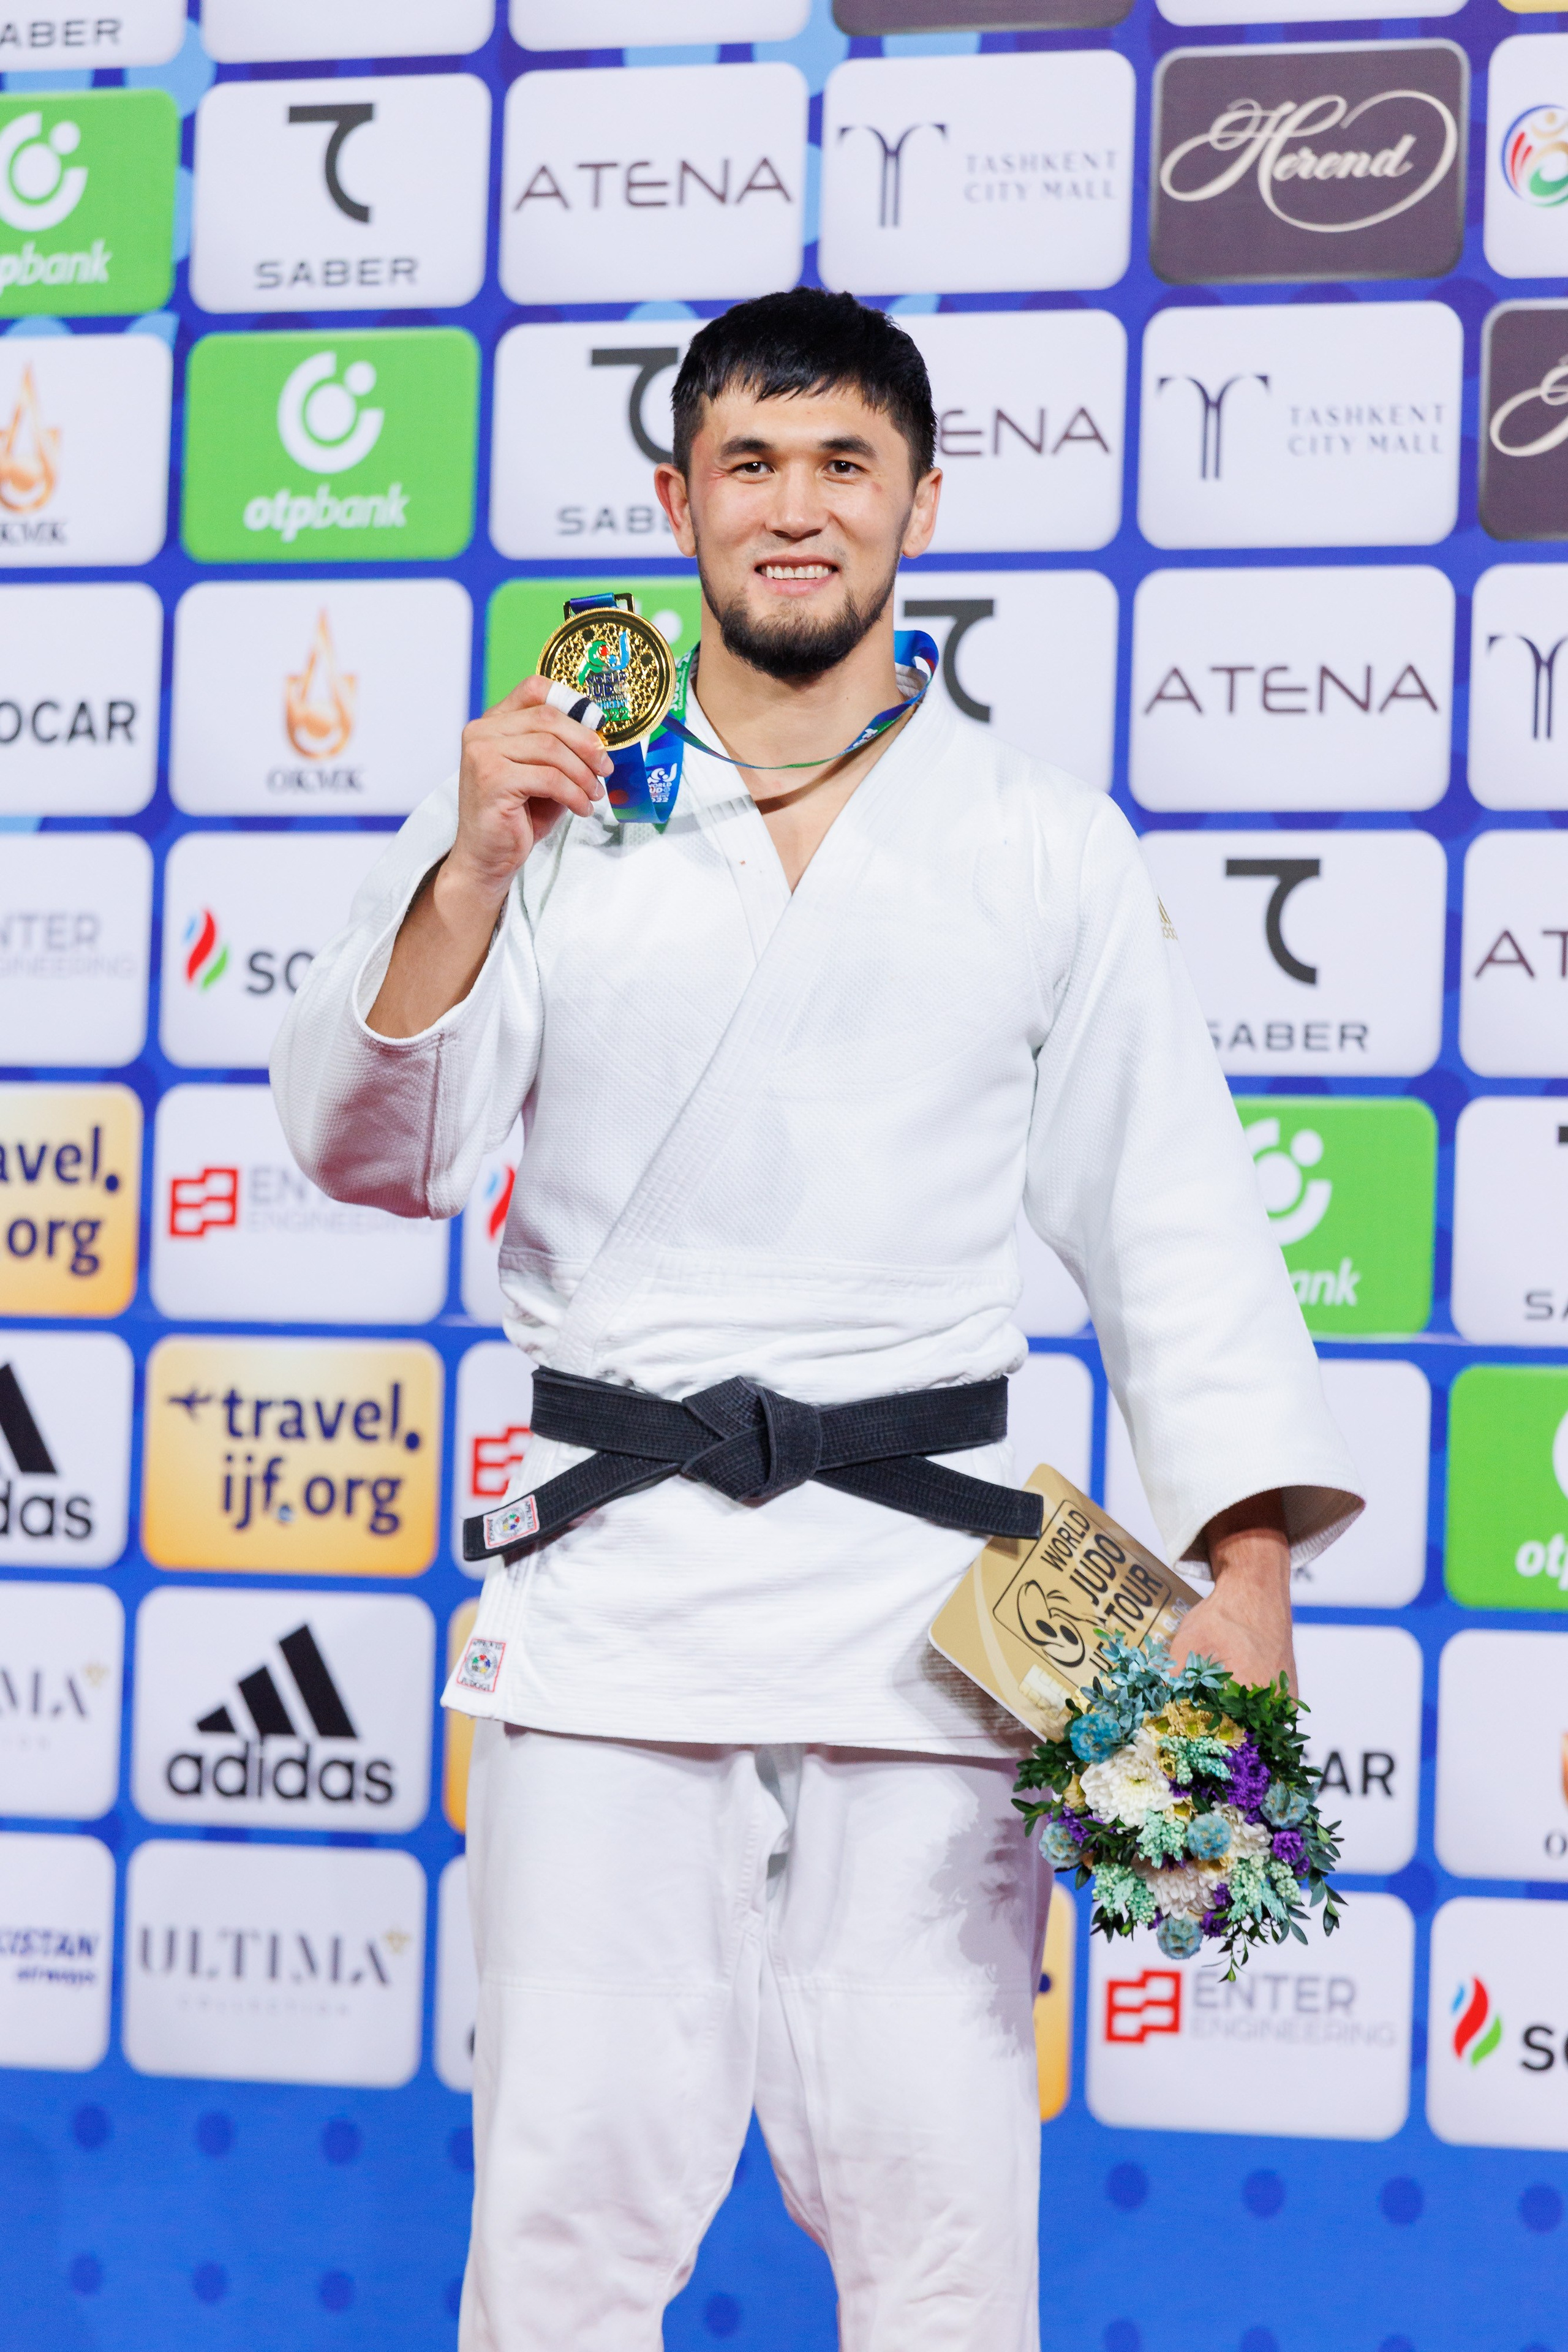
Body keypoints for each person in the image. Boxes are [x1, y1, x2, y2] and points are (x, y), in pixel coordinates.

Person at [273, 288, 1360, 2352]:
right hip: (617, 1580)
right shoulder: (545, 811)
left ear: (920, 504)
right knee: (566, 2212)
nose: (797, 511)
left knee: (945, 2212)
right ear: (675, 501)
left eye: (843, 464)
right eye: (750, 467)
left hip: (938, 1597)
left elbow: (1182, 1223)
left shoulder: (1039, 836)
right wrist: (469, 875)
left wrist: (1242, 1581)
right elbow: (370, 1146)